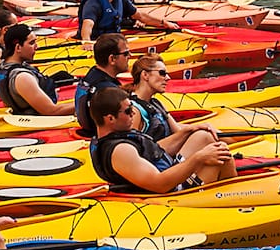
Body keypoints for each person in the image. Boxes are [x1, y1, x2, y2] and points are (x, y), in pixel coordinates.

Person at [86, 86, 235, 194]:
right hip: (172, 192)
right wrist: (199, 158)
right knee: (222, 154)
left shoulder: (118, 135)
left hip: (167, 172)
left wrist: (188, 130)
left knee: (203, 136)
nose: (133, 113)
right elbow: (160, 184)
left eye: (131, 107)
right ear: (110, 118)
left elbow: (155, 150)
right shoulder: (120, 151)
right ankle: (233, 197)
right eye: (127, 111)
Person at [129, 50, 227, 164]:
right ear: (145, 75)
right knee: (204, 137)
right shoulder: (134, 110)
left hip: (166, 157)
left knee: (208, 134)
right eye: (162, 73)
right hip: (155, 166)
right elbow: (134, 153)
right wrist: (194, 130)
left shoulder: (155, 103)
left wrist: (201, 127)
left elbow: (177, 130)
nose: (168, 78)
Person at [0, 22, 68, 115]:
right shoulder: (23, 77)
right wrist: (85, 105)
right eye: (32, 43)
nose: (36, 47)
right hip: (36, 121)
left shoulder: (0, 68)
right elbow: (51, 111)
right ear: (18, 47)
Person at [71, 34, 133, 132]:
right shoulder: (108, 91)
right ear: (112, 59)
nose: (130, 56)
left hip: (89, 130)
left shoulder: (93, 74)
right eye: (125, 54)